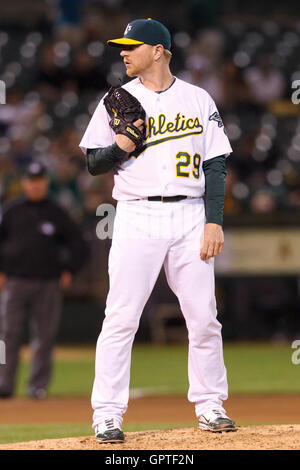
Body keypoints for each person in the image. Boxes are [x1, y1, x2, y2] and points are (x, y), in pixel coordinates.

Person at [80, 18, 236, 443]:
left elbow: (216, 164)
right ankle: (107, 414)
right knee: (121, 317)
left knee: (204, 318)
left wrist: (214, 219)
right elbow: (93, 163)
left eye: (131, 46)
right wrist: (121, 147)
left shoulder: (198, 99)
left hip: (189, 215)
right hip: (136, 214)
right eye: (122, 47)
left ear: (158, 51)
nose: (123, 53)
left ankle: (210, 405)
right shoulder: (118, 99)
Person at [0, 162, 88, 399]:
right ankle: (3, 384)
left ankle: (37, 386)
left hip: (48, 283)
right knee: (7, 334)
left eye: (39, 180)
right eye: (31, 180)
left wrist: (70, 269)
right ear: (25, 183)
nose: (35, 185)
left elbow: (79, 243)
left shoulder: (57, 213)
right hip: (15, 282)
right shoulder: (10, 211)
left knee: (45, 336)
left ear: (45, 183)